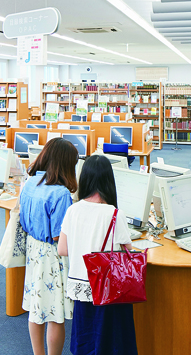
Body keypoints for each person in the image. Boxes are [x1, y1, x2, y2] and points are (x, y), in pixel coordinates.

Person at [58, 155, 136, 355]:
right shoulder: (114, 214)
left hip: (80, 287)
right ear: (109, 181)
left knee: (85, 340)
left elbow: (62, 250)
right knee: (109, 343)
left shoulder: (72, 210)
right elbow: (128, 251)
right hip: (106, 288)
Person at [20, 137, 79, 355]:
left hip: (33, 250)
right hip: (52, 257)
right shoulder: (61, 194)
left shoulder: (29, 183)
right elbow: (58, 236)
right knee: (55, 314)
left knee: (36, 308)